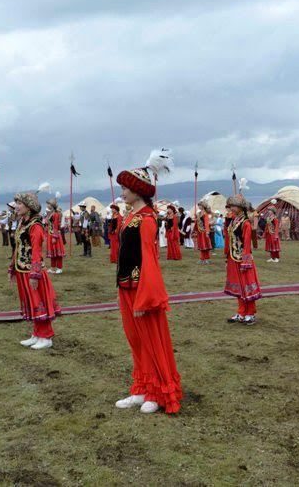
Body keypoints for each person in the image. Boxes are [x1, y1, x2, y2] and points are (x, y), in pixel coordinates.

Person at [113, 162, 182, 414]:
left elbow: (149, 259)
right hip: (126, 286)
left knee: (151, 340)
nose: (122, 192)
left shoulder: (147, 219)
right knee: (136, 340)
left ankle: (157, 392)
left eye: (125, 188)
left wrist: (145, 296)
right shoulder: (130, 216)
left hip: (141, 289)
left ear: (137, 190)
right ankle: (141, 388)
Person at [9, 191, 61, 350]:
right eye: (16, 203)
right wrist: (12, 268)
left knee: (39, 303)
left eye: (19, 203)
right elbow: (18, 247)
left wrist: (35, 274)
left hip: (32, 272)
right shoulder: (23, 222)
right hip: (22, 270)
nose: (16, 206)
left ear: (29, 207)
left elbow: (37, 251)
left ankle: (46, 336)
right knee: (31, 302)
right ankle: (37, 334)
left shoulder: (35, 225)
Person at [225, 195, 263, 325]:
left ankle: (250, 313)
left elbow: (247, 244)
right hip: (233, 258)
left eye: (233, 206)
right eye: (230, 206)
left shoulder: (245, 223)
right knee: (238, 287)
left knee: (247, 285)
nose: (231, 208)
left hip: (243, 259)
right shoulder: (233, 221)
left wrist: (246, 262)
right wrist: (227, 257)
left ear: (240, 207)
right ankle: (241, 312)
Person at [45, 198, 66, 274]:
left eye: (48, 204)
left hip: (55, 235)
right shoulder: (51, 213)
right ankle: (53, 267)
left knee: (57, 252)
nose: (47, 205)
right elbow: (48, 223)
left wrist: (54, 236)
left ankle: (59, 268)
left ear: (52, 205)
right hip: (50, 234)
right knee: (52, 252)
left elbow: (56, 226)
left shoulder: (56, 214)